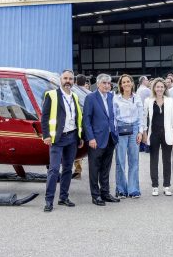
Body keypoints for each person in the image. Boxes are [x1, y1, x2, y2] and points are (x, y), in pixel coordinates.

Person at [41, 70, 84, 212]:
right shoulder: (52, 95)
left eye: (71, 79)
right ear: (60, 79)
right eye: (65, 78)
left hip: (72, 138)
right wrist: (46, 135)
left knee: (67, 169)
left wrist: (80, 136)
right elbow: (45, 117)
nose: (68, 81)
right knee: (53, 170)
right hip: (57, 138)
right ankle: (49, 200)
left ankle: (63, 197)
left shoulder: (75, 97)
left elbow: (78, 118)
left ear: (73, 81)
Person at [82, 73, 120, 206]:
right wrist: (90, 138)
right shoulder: (90, 98)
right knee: (94, 168)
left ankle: (105, 193)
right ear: (98, 84)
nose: (107, 85)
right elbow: (86, 120)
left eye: (109, 83)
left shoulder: (111, 97)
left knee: (106, 167)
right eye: (104, 83)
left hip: (110, 138)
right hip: (96, 139)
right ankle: (95, 195)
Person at [143, 77, 173, 196]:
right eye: (157, 87)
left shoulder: (169, 101)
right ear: (154, 88)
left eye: (162, 87)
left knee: (167, 160)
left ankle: (167, 186)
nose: (159, 89)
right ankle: (155, 186)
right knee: (154, 160)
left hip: (167, 133)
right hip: (154, 134)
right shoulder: (148, 101)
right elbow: (144, 119)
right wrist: (144, 133)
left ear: (165, 88)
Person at [113, 74, 144, 199]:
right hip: (121, 128)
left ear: (132, 83)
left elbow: (142, 116)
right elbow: (114, 117)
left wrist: (140, 132)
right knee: (120, 161)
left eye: (128, 81)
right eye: (123, 82)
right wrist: (115, 131)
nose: (126, 84)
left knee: (134, 161)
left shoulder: (137, 98)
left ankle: (133, 189)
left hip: (134, 128)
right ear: (121, 85)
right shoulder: (116, 99)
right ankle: (121, 189)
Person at [71, 74, 89, 179]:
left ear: (76, 81)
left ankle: (77, 170)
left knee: (76, 146)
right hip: (86, 123)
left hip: (76, 123)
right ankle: (78, 170)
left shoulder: (75, 92)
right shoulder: (88, 93)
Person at [136, 75, 152, 153]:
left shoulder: (138, 90)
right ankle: (147, 147)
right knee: (147, 129)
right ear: (143, 81)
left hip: (140, 112)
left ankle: (141, 147)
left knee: (142, 128)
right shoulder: (146, 90)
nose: (148, 81)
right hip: (146, 112)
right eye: (147, 80)